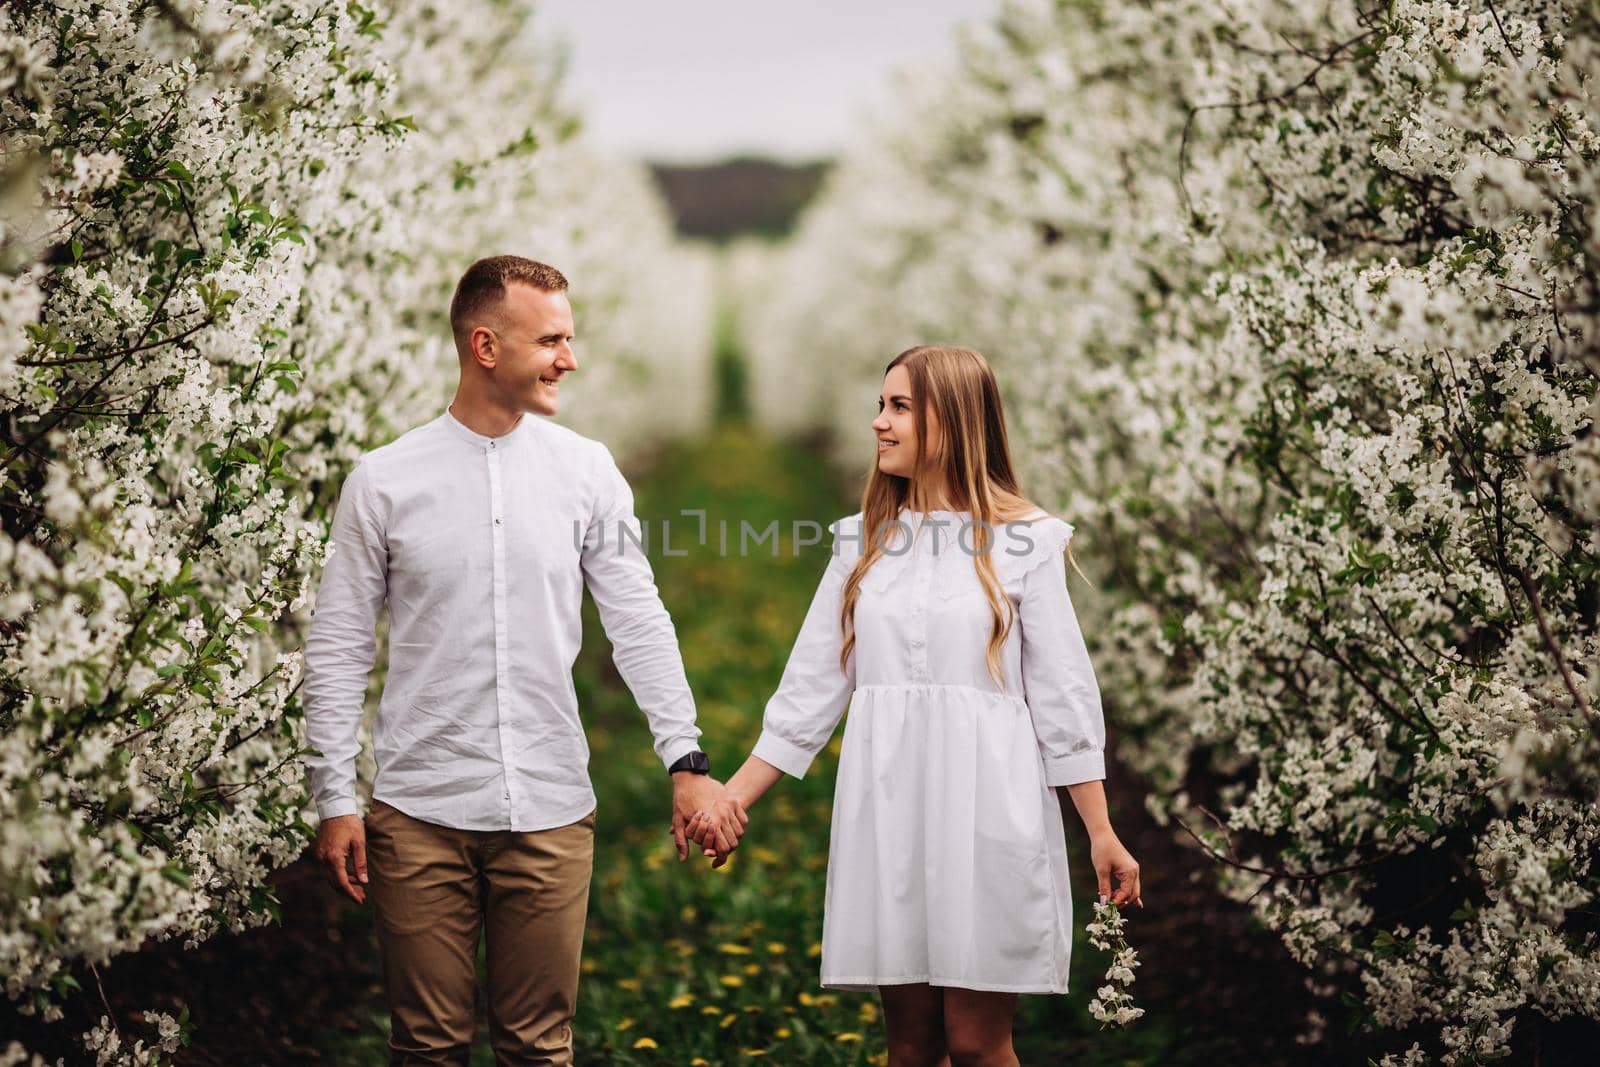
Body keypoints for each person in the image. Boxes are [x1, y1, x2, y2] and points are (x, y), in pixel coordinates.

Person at [300, 255, 746, 1066]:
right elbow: (337, 644)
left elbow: (637, 619)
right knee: (427, 1047)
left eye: (569, 338)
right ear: (485, 345)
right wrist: (335, 795)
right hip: (419, 811)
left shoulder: (585, 472)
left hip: (548, 808)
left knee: (540, 1049)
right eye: (552, 340)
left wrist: (686, 758)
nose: (569, 359)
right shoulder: (384, 482)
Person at [690, 344, 1143, 1067]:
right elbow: (810, 689)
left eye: (899, 406)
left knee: (975, 1039)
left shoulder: (1025, 541)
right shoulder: (863, 544)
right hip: (889, 807)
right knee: (910, 1042)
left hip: (989, 805)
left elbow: (1063, 695)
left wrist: (1099, 830)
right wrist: (728, 800)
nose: (879, 423)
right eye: (881, 404)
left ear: (954, 421)